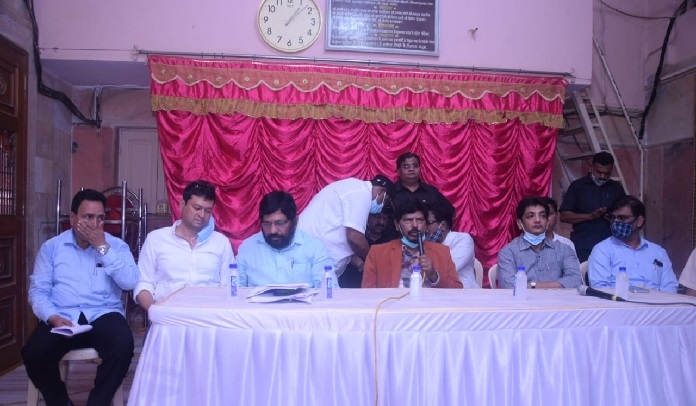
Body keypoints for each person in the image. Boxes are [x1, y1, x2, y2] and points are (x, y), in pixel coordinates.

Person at [22, 189, 139, 406]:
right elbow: (38, 291)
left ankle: (98, 402)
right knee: (34, 353)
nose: (95, 224)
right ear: (73, 218)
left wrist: (102, 248)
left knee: (123, 346)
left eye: (100, 218)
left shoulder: (116, 246)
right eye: (88, 217)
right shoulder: (52, 248)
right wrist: (53, 317)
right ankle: (60, 402)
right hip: (62, 316)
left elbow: (129, 282)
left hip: (103, 314)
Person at [135, 180, 234, 310]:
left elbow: (229, 287)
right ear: (182, 204)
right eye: (197, 208)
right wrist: (156, 312)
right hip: (167, 315)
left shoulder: (221, 243)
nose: (202, 215)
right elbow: (143, 284)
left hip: (209, 316)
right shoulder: (156, 239)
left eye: (208, 211)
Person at [297, 175, 394, 277]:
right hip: (312, 259)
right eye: (386, 202)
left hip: (313, 257)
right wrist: (375, 263)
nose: (382, 207)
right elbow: (355, 238)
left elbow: (342, 239)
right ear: (382, 192)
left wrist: (362, 264)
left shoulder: (353, 189)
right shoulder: (362, 193)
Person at [237, 191, 337, 287]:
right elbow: (235, 290)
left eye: (280, 223)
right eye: (267, 224)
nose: (273, 231)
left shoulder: (315, 248)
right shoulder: (247, 248)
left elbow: (329, 292)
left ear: (295, 221)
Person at [362, 200, 463, 289]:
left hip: (431, 304)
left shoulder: (442, 251)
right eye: (408, 220)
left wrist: (434, 275)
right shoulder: (377, 253)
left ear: (425, 224)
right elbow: (367, 294)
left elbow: (457, 290)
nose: (415, 225)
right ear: (397, 225)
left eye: (420, 220)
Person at [588, 195, 678, 292]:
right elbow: (600, 289)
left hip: (656, 301)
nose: (616, 221)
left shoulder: (658, 252)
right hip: (619, 300)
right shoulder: (602, 250)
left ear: (639, 221)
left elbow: (670, 288)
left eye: (622, 218)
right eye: (613, 217)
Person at [497, 197, 582, 289]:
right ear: (520, 224)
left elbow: (576, 280)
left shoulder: (564, 249)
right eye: (530, 216)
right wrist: (557, 285)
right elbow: (509, 285)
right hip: (524, 299)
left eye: (542, 216)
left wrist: (532, 285)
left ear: (547, 222)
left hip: (556, 298)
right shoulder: (508, 252)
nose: (537, 220)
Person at [559, 151, 626, 262]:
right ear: (591, 167)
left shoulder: (616, 188)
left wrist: (613, 218)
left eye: (607, 173)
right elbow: (564, 216)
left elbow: (626, 215)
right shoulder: (577, 186)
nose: (603, 176)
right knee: (583, 272)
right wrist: (589, 216)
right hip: (583, 246)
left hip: (611, 245)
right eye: (599, 172)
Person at [425, 198, 479, 288]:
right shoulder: (424, 243)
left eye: (429, 223)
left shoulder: (463, 240)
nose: (424, 228)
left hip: (463, 292)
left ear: (443, 225)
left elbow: (447, 270)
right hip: (434, 292)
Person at [339, 206, 397, 288]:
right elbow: (344, 250)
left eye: (384, 219)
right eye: (377, 217)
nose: (381, 222)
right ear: (367, 216)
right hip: (352, 282)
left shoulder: (391, 238)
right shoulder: (357, 235)